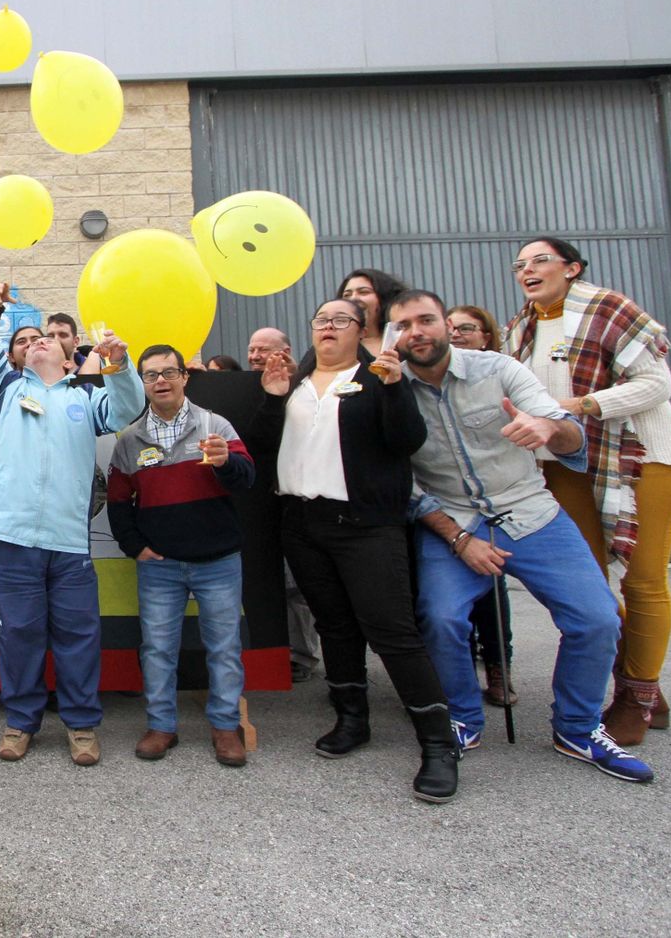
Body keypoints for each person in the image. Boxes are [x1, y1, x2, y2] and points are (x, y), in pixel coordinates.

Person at [391, 289, 653, 783]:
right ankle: (462, 720)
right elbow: (403, 483)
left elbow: (567, 429)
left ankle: (577, 728)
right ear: (392, 335)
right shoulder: (391, 390)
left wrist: (550, 429)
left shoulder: (499, 370)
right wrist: (459, 539)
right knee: (441, 618)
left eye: (426, 320)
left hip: (530, 512)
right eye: (404, 325)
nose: (417, 332)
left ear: (447, 323)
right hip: (455, 521)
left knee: (597, 617)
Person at [249, 299, 459, 803]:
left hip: (365, 525)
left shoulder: (379, 377)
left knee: (393, 632)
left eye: (340, 321)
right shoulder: (294, 383)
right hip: (302, 523)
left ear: (361, 331)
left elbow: (407, 440)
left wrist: (393, 387)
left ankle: (437, 742)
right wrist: (274, 397)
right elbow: (260, 446)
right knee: (334, 625)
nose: (327, 327)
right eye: (320, 320)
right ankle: (351, 719)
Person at [0, 242, 145, 766]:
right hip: (9, 536)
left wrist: (120, 364)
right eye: (29, 339)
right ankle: (20, 722)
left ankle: (82, 726)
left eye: (46, 340)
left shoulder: (86, 397)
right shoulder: (2, 389)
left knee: (80, 635)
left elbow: (128, 405)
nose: (36, 343)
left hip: (67, 540)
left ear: (68, 355)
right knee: (19, 633)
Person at [503, 237, 671, 745]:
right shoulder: (520, 330)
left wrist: (582, 405)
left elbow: (656, 383)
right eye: (520, 264)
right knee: (589, 588)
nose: (528, 270)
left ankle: (637, 697)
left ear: (572, 267)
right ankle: (635, 679)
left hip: (643, 457)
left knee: (643, 582)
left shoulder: (609, 308)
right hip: (568, 465)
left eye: (540, 260)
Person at [107, 346, 256, 767]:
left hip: (219, 561)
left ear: (184, 377)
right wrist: (136, 547)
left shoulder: (215, 425)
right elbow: (118, 505)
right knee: (156, 648)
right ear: (141, 383)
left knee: (224, 648)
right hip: (161, 566)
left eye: (169, 372)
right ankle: (161, 726)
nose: (161, 381)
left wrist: (227, 463)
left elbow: (247, 480)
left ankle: (226, 728)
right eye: (151, 375)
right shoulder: (130, 440)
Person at [446, 304, 518, 707]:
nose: (456, 335)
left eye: (466, 329)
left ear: (486, 337)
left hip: (491, 501)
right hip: (444, 503)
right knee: (446, 602)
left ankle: (498, 665)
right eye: (450, 328)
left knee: (490, 587)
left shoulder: (499, 377)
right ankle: (456, 676)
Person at [244, 326, 320, 685]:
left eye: (264, 350)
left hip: (297, 495)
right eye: (252, 349)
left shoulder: (305, 388)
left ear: (285, 352)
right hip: (255, 498)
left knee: (296, 585)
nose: (256, 356)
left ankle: (302, 655)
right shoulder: (240, 386)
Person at [338, 268, 408, 357]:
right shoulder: (334, 345)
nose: (353, 299)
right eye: (347, 295)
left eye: (363, 292)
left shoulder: (405, 340)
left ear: (384, 298)